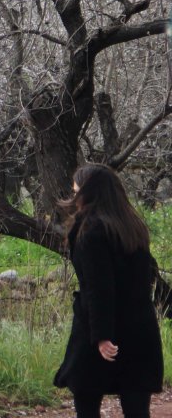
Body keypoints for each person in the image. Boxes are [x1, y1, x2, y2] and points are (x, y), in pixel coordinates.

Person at [54, 163, 163, 418]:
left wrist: (102, 336)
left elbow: (98, 286)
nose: (72, 192)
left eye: (76, 188)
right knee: (136, 405)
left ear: (88, 192)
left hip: (100, 332)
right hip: (139, 328)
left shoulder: (90, 229)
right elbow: (147, 277)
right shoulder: (132, 226)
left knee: (86, 397)